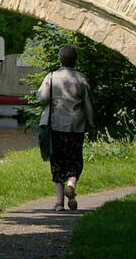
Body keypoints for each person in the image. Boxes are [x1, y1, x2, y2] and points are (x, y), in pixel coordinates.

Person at [37, 43, 96, 211]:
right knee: (75, 159)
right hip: (76, 127)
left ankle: (58, 203)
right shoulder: (81, 79)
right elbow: (89, 105)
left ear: (60, 59)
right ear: (75, 60)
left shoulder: (52, 77)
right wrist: (91, 126)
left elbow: (42, 98)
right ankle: (71, 184)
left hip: (56, 125)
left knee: (57, 162)